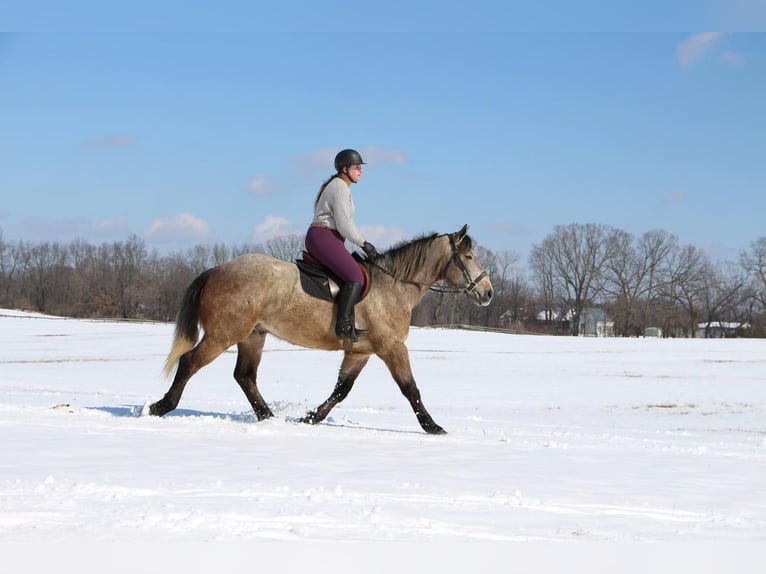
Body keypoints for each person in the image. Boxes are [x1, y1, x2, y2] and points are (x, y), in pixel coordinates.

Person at [305, 148, 379, 342]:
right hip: (324, 237)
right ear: (345, 169)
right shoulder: (339, 187)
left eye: (360, 168)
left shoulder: (340, 186)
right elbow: (345, 225)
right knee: (355, 276)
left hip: (330, 238)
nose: (360, 171)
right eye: (356, 168)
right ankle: (343, 325)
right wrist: (365, 244)